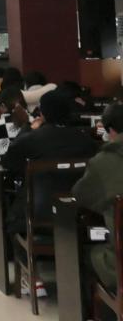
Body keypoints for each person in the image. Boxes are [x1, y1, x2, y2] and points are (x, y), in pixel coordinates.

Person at [2, 89, 99, 235]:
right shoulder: (86, 141)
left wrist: (26, 127)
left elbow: (9, 162)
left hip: (39, 213)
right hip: (79, 214)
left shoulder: (32, 139)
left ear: (43, 113)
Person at [72, 103, 123, 294]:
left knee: (87, 252)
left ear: (110, 130)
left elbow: (80, 196)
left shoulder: (103, 162)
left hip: (118, 263)